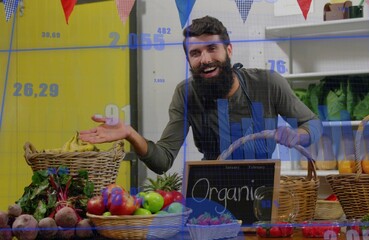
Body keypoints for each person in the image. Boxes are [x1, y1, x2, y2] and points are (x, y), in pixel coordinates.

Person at [79, 16, 322, 174]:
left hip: (264, 188)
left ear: (228, 50)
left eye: (212, 49)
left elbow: (313, 124)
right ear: (189, 60)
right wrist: (131, 134)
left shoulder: (267, 83)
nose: (205, 59)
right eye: (195, 53)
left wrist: (297, 135)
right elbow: (162, 161)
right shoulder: (186, 94)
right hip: (211, 192)